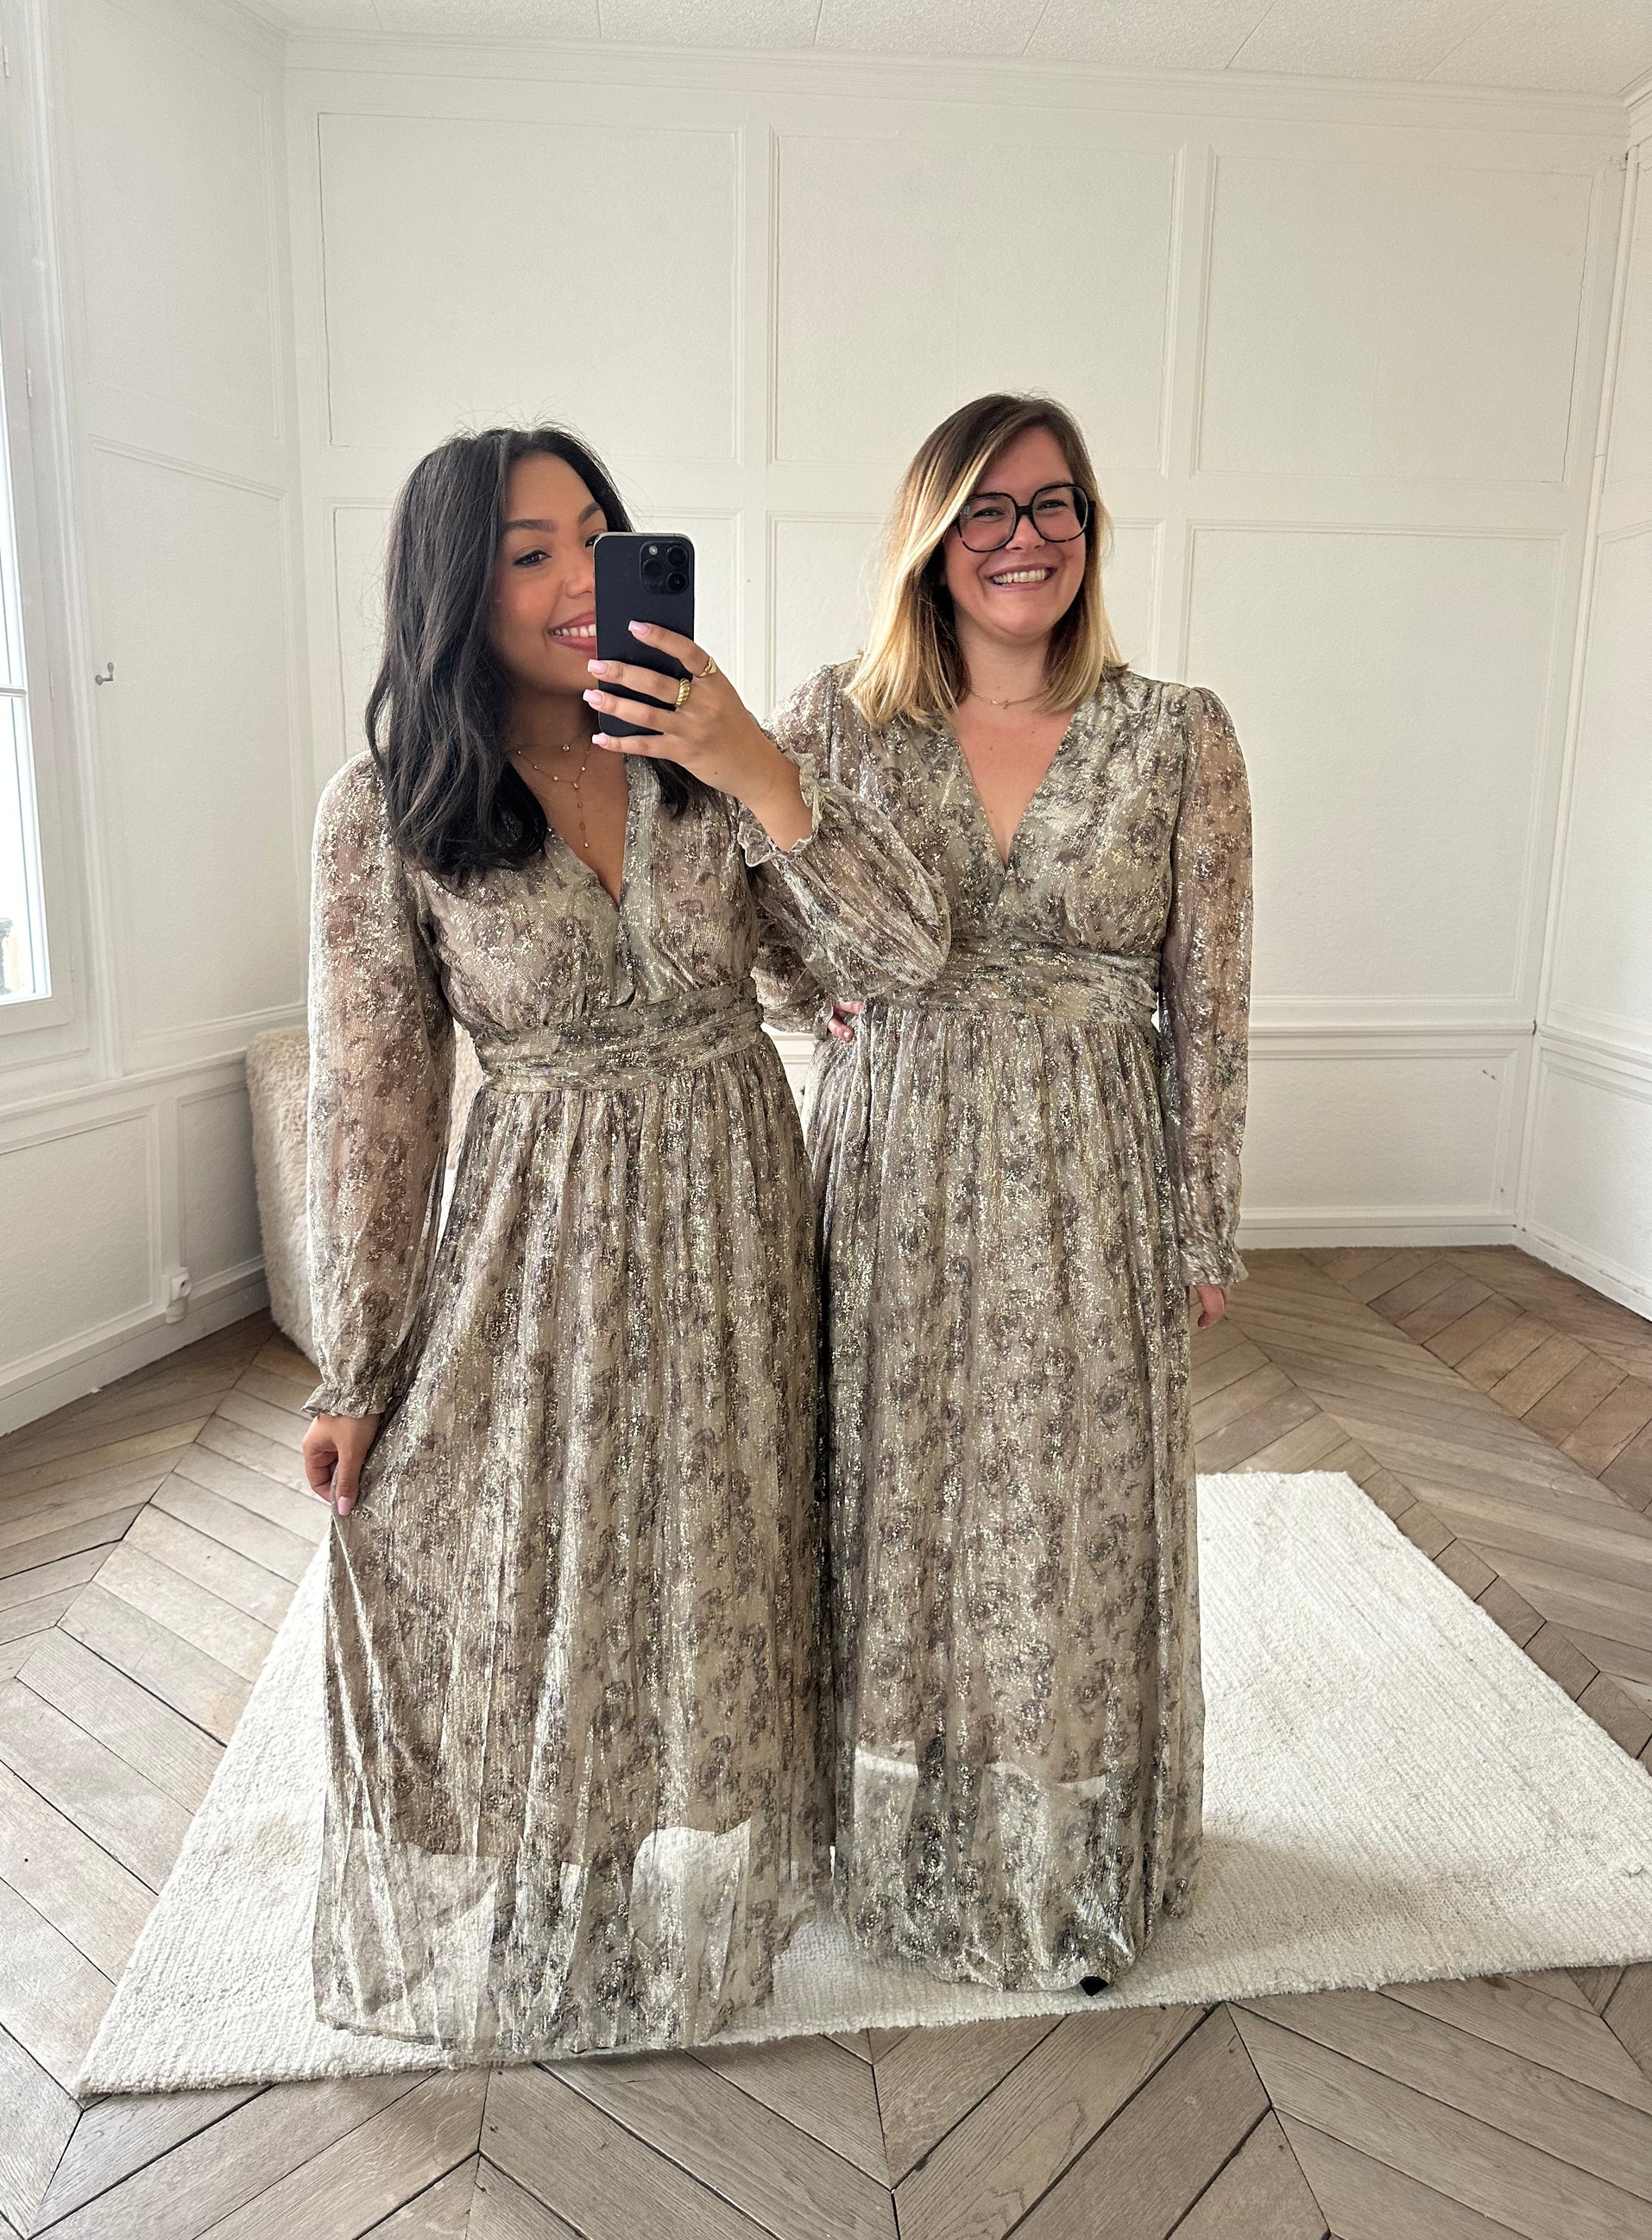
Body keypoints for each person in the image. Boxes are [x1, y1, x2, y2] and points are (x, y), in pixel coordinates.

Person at [300, 425, 948, 2058]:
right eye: (528, 553)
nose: (579, 578)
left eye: (594, 536)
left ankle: (707, 1884)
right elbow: (373, 1105)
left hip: (739, 1218)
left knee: (723, 1547)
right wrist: (357, 1368)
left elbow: (901, 955)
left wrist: (757, 766)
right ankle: (557, 1888)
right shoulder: (387, 812)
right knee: (546, 1566)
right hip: (537, 1247)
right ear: (455, 589)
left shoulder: (701, 760)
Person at [760, 392, 1252, 1995]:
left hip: (1090, 1169)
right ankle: (893, 1837)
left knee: (1068, 1513)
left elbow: (1211, 998)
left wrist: (1201, 1217)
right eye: (986, 508)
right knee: (890, 1497)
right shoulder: (835, 724)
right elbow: (756, 930)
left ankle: (1065, 1850)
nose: (1023, 538)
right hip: (891, 1161)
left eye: (1054, 507)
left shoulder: (1176, 733)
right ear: (931, 534)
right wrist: (819, 998)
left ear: (1087, 534)